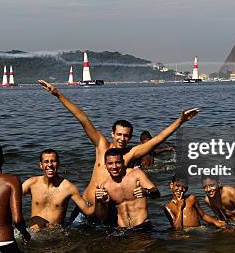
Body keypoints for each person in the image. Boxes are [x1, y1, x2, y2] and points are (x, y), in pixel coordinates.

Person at [38, 79, 198, 208]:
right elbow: (82, 118)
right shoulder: (101, 145)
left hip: (108, 208)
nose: (122, 138)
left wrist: (181, 120)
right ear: (112, 134)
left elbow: (158, 139)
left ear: (130, 137)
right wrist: (57, 94)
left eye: (126, 136)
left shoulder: (130, 154)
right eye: (119, 134)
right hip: (87, 204)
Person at [22, 149, 95, 229]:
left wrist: (99, 202)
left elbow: (88, 211)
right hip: (34, 234)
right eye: (46, 161)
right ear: (41, 165)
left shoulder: (68, 188)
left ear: (58, 164)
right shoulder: (31, 183)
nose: (50, 165)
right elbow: (12, 199)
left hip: (55, 235)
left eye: (53, 161)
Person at [94, 148, 160, 230]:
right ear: (105, 165)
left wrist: (147, 192)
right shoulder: (105, 186)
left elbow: (157, 194)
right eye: (110, 163)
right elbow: (101, 217)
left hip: (143, 226)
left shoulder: (136, 174)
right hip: (123, 231)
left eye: (117, 163)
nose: (114, 167)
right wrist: (98, 201)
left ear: (123, 162)